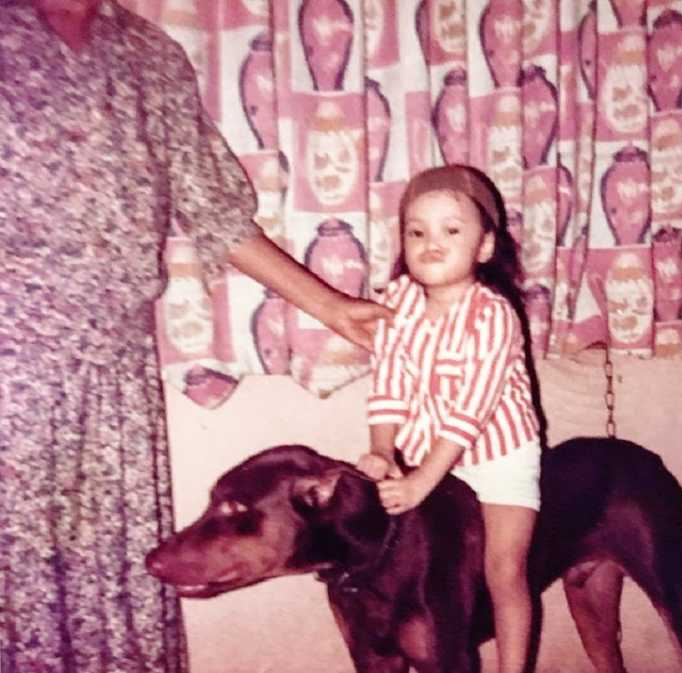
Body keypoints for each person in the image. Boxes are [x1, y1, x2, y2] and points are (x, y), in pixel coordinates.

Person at [0, 1, 390, 671]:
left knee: (117, 593)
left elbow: (215, 211)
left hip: (117, 383)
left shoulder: (150, 57)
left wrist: (332, 307)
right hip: (12, 365)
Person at [357, 165, 542, 673]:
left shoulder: (493, 314)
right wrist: (382, 451)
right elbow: (388, 383)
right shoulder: (397, 301)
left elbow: (469, 414)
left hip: (499, 454)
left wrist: (419, 483)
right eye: (417, 232)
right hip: (426, 453)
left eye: (451, 230)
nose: (431, 243)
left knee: (504, 570)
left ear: (485, 246)